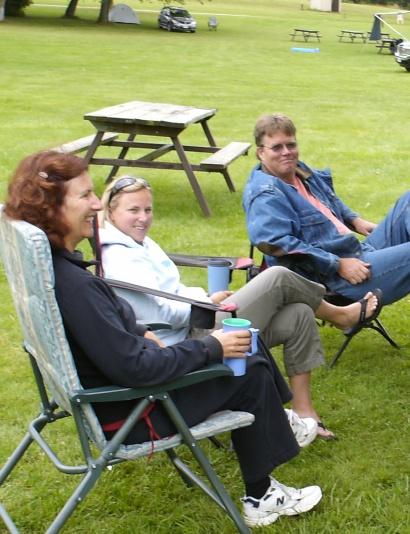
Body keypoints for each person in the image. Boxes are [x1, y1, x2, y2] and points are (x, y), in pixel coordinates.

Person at [3, 150, 323, 528]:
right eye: (85, 196)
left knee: (244, 350)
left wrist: (139, 331)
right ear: (52, 209)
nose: (95, 205)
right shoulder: (77, 288)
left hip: (115, 398)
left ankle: (278, 424)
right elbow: (137, 368)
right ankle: (261, 495)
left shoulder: (57, 270)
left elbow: (115, 338)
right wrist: (212, 346)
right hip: (132, 414)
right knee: (247, 366)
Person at [97, 175, 382, 440]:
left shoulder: (138, 243)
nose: (143, 218)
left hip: (196, 324)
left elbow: (172, 293)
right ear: (111, 212)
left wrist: (209, 296)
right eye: (133, 210)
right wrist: (207, 304)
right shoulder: (121, 257)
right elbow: (160, 314)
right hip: (189, 345)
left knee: (299, 314)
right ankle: (341, 315)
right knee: (277, 277)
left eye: (148, 209)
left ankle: (303, 411)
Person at [242, 113, 410, 376]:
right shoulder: (265, 194)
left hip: (355, 252)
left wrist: (355, 220)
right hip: (334, 279)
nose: (287, 152)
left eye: (291, 144)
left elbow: (330, 202)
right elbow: (277, 244)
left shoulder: (300, 172)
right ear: (260, 152)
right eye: (276, 147)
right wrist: (338, 264)